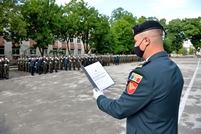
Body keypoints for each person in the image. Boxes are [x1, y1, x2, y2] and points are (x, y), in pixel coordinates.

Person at [92, 20, 184, 134]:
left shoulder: (144, 73)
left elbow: (119, 109)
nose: (135, 46)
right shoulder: (173, 67)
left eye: (136, 41)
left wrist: (100, 97)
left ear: (146, 41)